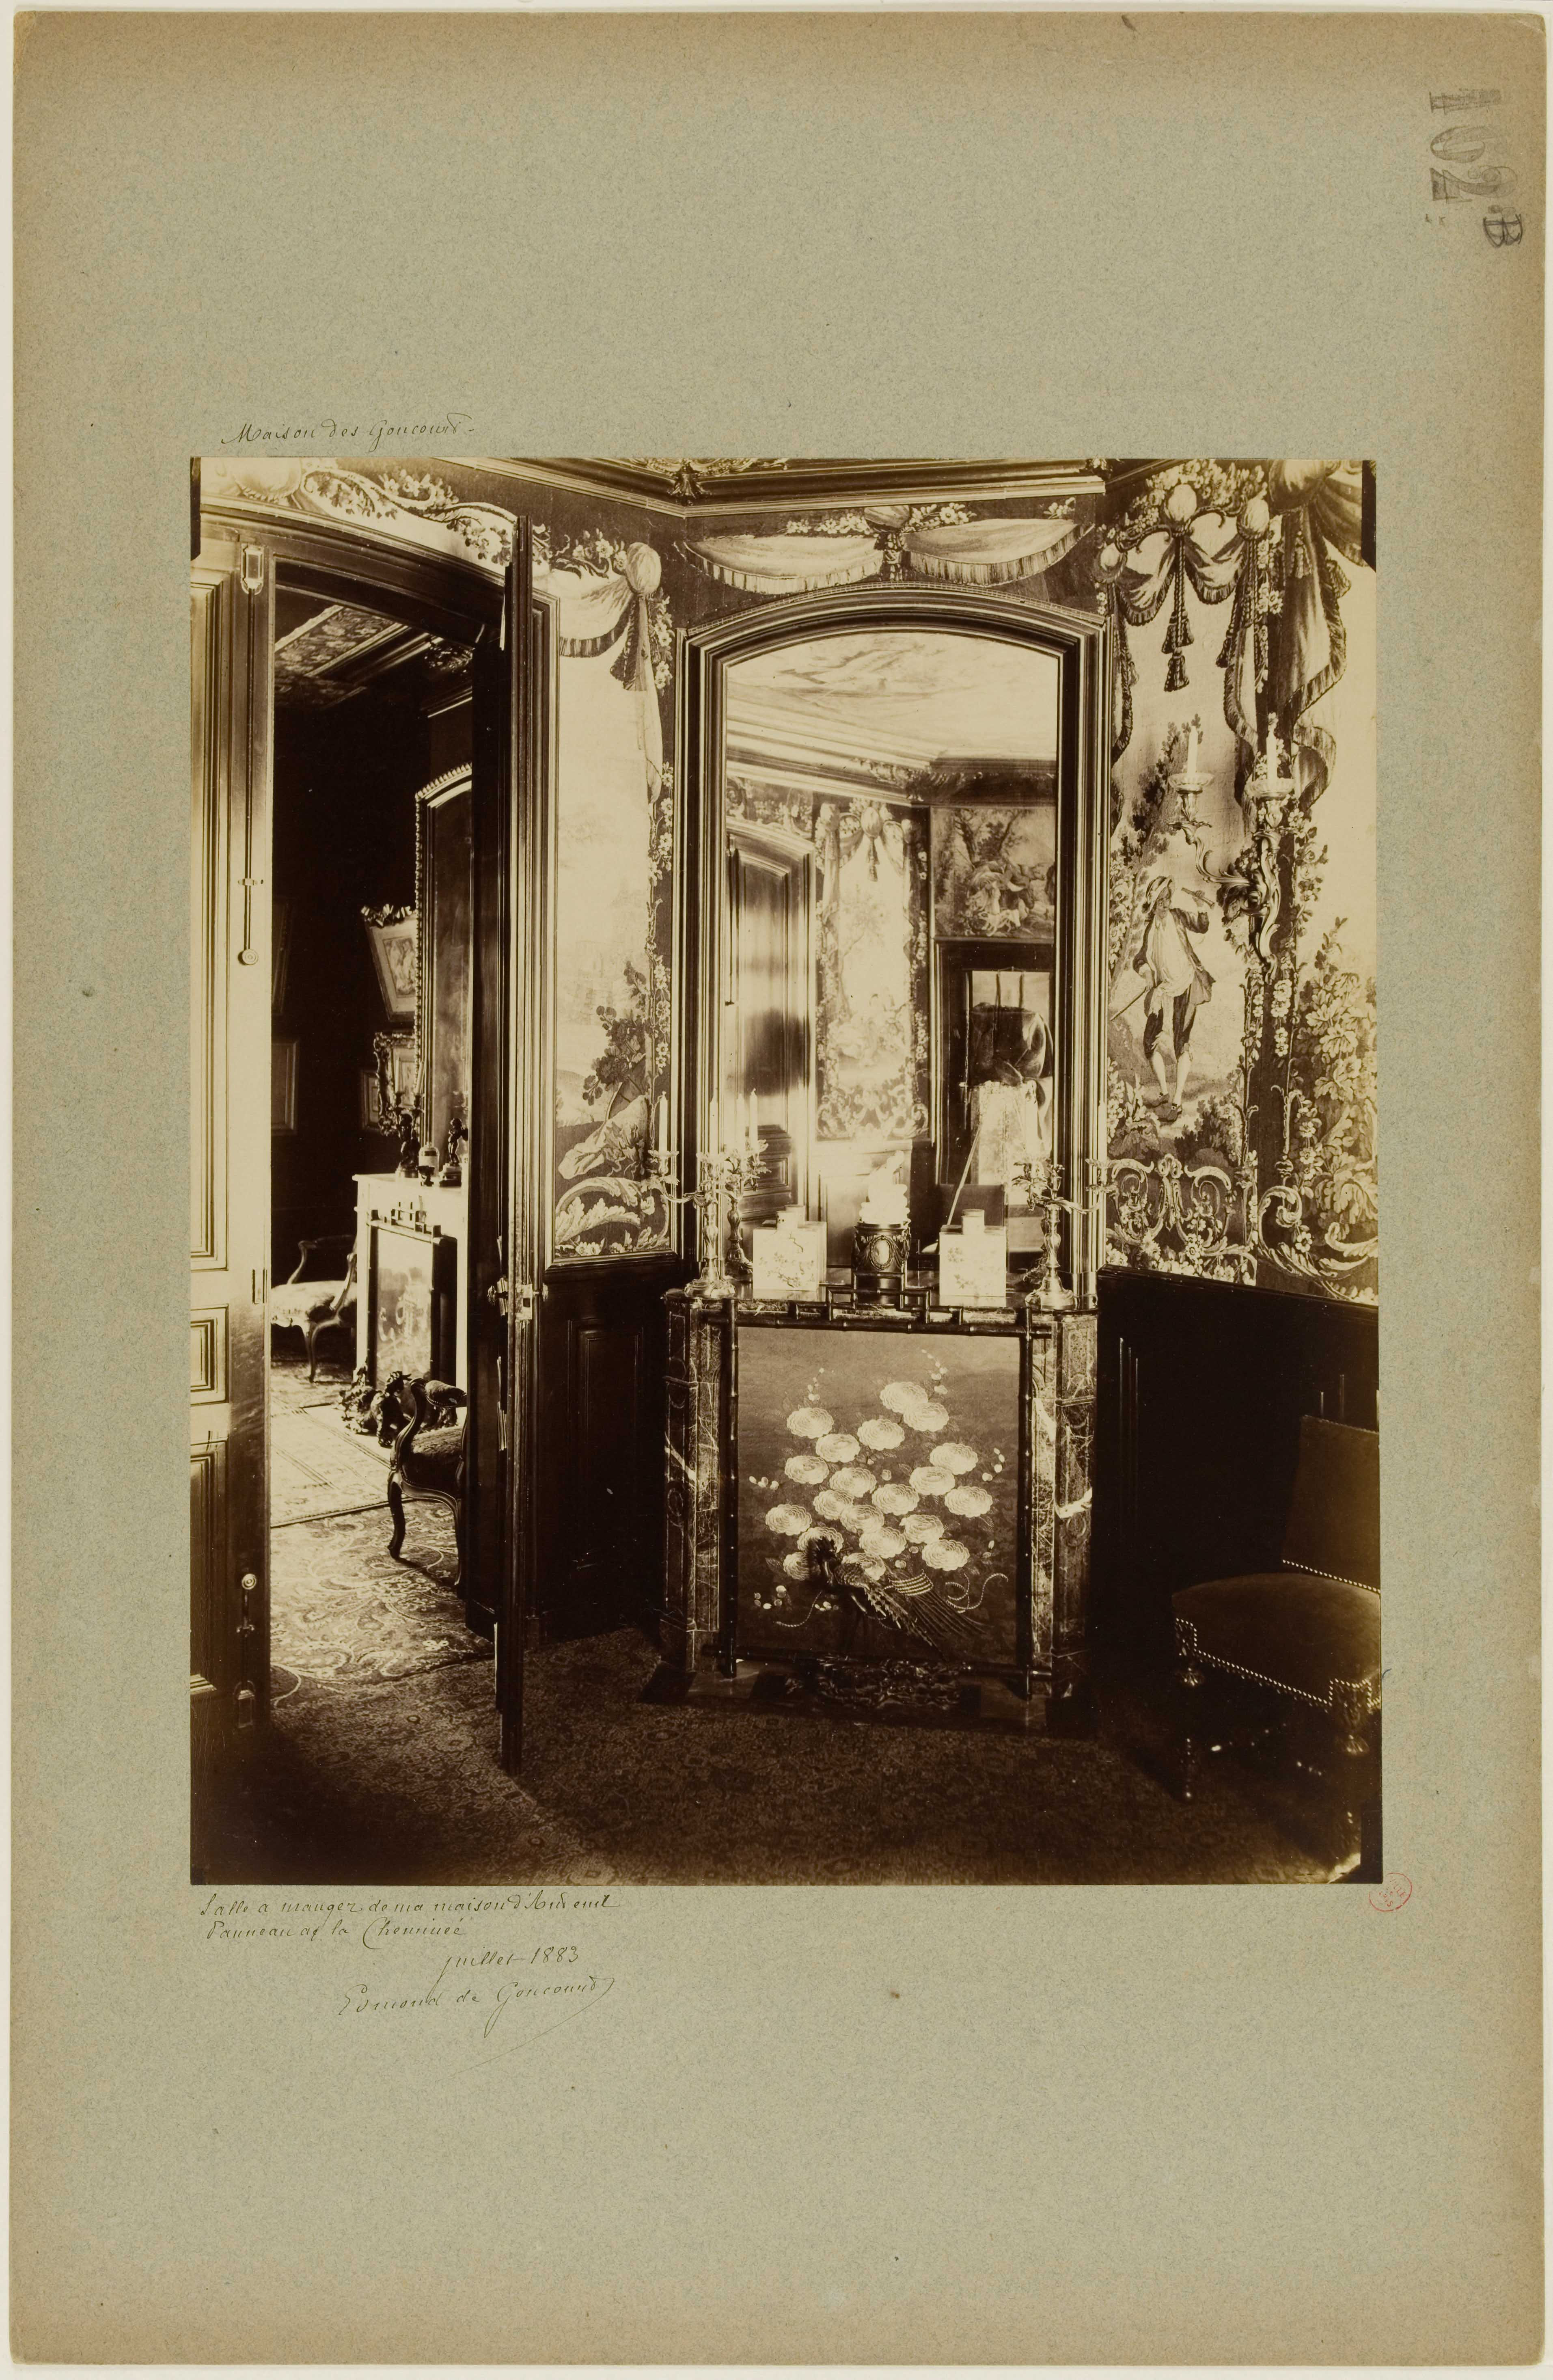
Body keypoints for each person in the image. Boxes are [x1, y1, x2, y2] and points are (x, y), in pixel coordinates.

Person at [1133, 877, 1213, 1122]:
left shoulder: (1178, 916)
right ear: (1153, 903)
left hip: (1186, 984)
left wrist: (1201, 906)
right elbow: (1140, 959)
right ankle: (1164, 1094)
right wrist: (1147, 973)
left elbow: (1202, 926)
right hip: (1163, 989)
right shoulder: (1151, 929)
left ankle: (1177, 1103)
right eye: (1161, 900)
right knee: (1150, 1043)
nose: (1165, 904)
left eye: (1168, 898)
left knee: (1182, 1043)